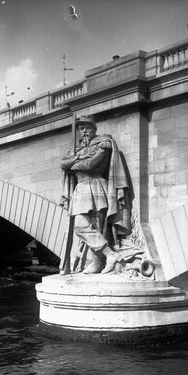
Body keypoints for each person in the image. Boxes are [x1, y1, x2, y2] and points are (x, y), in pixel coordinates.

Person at [60, 114, 131, 274]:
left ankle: (98, 262)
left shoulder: (104, 142)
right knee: (80, 225)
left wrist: (75, 161)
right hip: (81, 190)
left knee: (98, 226)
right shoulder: (76, 148)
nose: (84, 131)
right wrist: (78, 156)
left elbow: (91, 165)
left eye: (87, 127)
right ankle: (110, 254)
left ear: (94, 128)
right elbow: (63, 164)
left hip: (96, 186)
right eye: (81, 128)